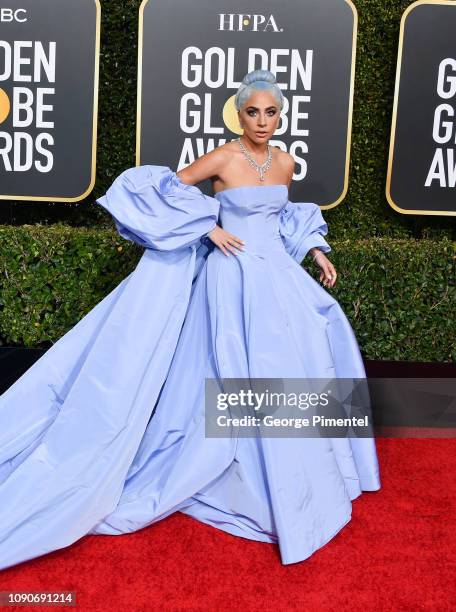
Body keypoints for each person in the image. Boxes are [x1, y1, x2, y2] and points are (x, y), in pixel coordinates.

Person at [0, 69, 380, 570]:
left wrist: (315, 250)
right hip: (231, 276)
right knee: (233, 367)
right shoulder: (224, 156)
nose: (261, 121)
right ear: (239, 113)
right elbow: (164, 188)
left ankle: (303, 475)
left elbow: (286, 217)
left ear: (280, 114)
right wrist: (208, 226)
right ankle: (234, 470)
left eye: (270, 112)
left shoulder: (286, 162)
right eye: (252, 111)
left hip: (278, 275)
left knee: (315, 339)